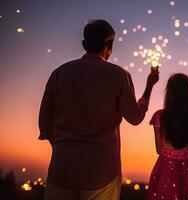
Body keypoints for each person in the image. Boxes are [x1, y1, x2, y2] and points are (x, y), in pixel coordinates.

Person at [38, 19, 159, 200]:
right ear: (110, 44)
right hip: (102, 171)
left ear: (84, 44)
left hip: (62, 166)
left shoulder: (59, 73)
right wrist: (149, 86)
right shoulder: (119, 75)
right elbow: (135, 117)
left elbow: (44, 124)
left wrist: (64, 146)